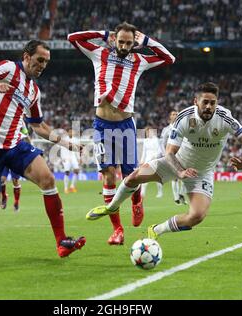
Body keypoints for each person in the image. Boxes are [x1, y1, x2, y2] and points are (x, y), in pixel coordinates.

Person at [0, 40, 86, 258]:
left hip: (15, 145)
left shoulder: (34, 91)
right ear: (26, 57)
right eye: (39, 60)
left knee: (48, 179)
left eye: (46, 62)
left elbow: (38, 126)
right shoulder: (9, 69)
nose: (43, 65)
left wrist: (66, 142)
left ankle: (62, 242)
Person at [86, 82, 242, 241]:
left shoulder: (224, 118)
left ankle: (157, 230)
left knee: (196, 216)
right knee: (133, 177)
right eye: (205, 102)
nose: (209, 106)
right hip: (175, 163)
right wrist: (179, 171)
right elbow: (169, 153)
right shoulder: (184, 117)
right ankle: (111, 207)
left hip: (201, 173)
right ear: (196, 101)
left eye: (213, 103)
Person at [68, 22, 175, 245]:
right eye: (121, 41)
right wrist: (103, 34)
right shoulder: (99, 53)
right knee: (108, 175)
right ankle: (118, 229)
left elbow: (169, 58)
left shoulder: (139, 60)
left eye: (129, 42)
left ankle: (136, 199)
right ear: (115, 39)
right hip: (101, 126)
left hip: (125, 125)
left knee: (129, 177)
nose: (125, 46)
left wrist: (145, 41)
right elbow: (73, 38)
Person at [160, 110, 187, 205]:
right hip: (171, 156)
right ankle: (176, 198)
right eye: (173, 114)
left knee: (185, 176)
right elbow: (162, 144)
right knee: (175, 177)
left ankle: (181, 194)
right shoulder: (166, 130)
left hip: (183, 155)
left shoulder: (183, 127)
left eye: (176, 114)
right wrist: (165, 155)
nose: (175, 115)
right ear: (170, 117)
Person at [140, 127, 163, 198]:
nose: (147, 134)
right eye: (146, 133)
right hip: (147, 161)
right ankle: (142, 193)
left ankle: (160, 192)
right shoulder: (145, 141)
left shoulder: (156, 140)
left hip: (155, 161)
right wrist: (142, 161)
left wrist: (154, 157)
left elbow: (160, 151)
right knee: (144, 177)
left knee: (157, 177)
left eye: (149, 132)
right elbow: (144, 152)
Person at [61, 129, 80, 194]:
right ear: (68, 132)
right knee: (67, 172)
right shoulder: (64, 139)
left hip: (73, 156)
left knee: (77, 170)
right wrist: (62, 157)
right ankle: (66, 188)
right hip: (66, 157)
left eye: (72, 131)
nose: (71, 133)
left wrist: (78, 158)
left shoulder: (76, 140)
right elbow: (62, 149)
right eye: (70, 132)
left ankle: (72, 186)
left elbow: (77, 149)